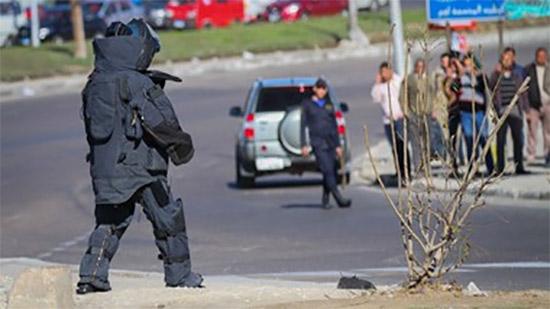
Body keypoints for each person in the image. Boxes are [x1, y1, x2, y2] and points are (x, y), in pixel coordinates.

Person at [76, 19, 203, 294]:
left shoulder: (94, 83)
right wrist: (182, 147)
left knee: (110, 223)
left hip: (107, 169)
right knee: (169, 220)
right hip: (143, 169)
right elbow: (161, 122)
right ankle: (180, 276)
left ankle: (91, 277)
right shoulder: (137, 82)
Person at [300, 78, 351, 209]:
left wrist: (338, 145)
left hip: (330, 142)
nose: (322, 91)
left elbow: (334, 126)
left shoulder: (329, 105)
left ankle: (325, 199)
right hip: (318, 142)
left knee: (331, 171)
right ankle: (338, 198)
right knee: (327, 169)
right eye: (319, 88)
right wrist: (303, 145)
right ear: (315, 89)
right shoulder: (307, 105)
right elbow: (303, 126)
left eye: (324, 88)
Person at [401, 58, 445, 174]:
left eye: (422, 67)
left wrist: (435, 110)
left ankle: (426, 167)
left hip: (427, 114)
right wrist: (407, 113)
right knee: (416, 143)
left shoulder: (429, 79)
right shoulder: (409, 80)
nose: (420, 69)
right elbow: (403, 96)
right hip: (415, 114)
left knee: (427, 142)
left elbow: (436, 95)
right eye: (418, 67)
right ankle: (418, 168)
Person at [490, 49, 530, 175]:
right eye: (504, 58)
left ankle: (519, 166)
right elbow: (491, 87)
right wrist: (496, 72)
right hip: (502, 110)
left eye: (509, 58)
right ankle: (500, 168)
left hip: (515, 110)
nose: (506, 61)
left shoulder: (517, 75)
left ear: (513, 59)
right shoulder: (496, 75)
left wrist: (526, 109)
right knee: (501, 140)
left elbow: (523, 94)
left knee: (518, 139)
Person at [454, 54, 494, 175]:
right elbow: (454, 88)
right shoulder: (460, 78)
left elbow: (486, 86)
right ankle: (473, 168)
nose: (467, 67)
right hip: (465, 112)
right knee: (469, 140)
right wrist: (458, 78)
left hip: (478, 112)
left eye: (469, 64)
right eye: (465, 64)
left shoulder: (480, 77)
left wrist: (475, 75)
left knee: (484, 139)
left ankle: (491, 167)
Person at [371, 62, 410, 180]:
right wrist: (377, 83)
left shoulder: (398, 82)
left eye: (385, 72)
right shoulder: (381, 86)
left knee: (402, 145)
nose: (383, 75)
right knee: (394, 147)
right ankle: (398, 171)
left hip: (399, 117)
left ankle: (406, 171)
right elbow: (375, 98)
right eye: (381, 73)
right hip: (388, 120)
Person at [525, 47, 550, 167]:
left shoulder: (549, 68)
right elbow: (525, 88)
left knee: (548, 132)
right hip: (533, 105)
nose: (542, 58)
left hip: (548, 104)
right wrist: (526, 108)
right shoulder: (529, 69)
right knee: (532, 132)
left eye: (544, 56)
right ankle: (531, 155)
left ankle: (547, 155)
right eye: (539, 56)